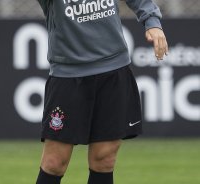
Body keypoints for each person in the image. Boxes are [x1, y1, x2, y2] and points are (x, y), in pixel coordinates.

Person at [36, 0, 168, 183]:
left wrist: (152, 21)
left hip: (114, 71)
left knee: (104, 160)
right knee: (54, 162)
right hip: (68, 76)